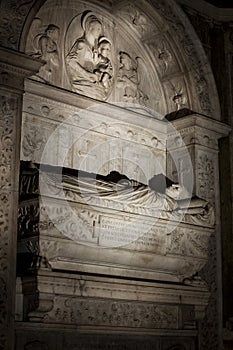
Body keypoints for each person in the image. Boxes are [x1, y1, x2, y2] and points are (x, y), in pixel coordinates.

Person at [66, 12, 106, 98]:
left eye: (100, 29)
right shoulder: (82, 44)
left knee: (101, 94)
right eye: (98, 29)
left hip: (91, 81)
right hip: (82, 80)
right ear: (90, 28)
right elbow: (70, 61)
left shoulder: (94, 49)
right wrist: (86, 74)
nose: (100, 31)